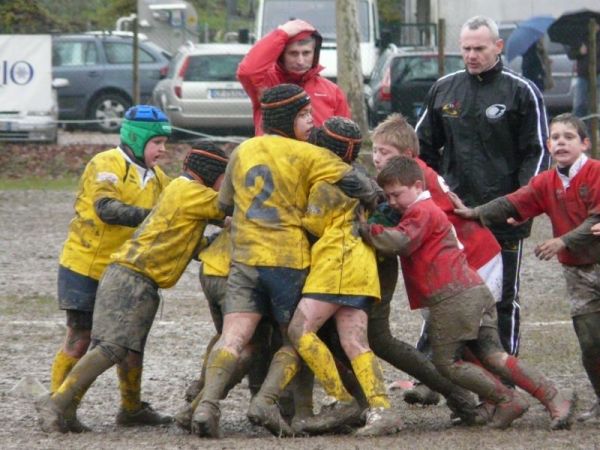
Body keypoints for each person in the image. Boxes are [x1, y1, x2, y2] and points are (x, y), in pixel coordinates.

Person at [189, 83, 379, 439]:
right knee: (298, 336)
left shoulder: (243, 151)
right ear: (288, 118)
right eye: (305, 115)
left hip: (244, 259)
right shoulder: (310, 155)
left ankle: (206, 406)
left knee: (233, 337)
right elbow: (362, 185)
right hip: (287, 260)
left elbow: (224, 204)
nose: (311, 122)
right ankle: (268, 401)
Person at [359, 155, 575, 431]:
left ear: (416, 185)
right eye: (387, 196)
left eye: (396, 194)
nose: (391, 202)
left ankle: (507, 399)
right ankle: (553, 398)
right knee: (492, 355)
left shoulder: (421, 211)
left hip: (452, 295)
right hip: (472, 289)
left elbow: (401, 241)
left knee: (446, 362)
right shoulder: (425, 209)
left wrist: (366, 229)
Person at [35, 143, 230, 433]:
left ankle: (108, 410)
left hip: (132, 276)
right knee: (111, 348)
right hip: (132, 277)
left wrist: (209, 245)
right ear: (213, 174)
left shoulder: (179, 188)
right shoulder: (193, 193)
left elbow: (180, 238)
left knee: (124, 348)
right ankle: (57, 403)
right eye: (224, 178)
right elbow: (228, 209)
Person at [416, 15, 550, 356]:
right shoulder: (444, 89)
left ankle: (505, 374)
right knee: (444, 290)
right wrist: (431, 199)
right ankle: (432, 367)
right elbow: (420, 152)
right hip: (453, 215)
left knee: (501, 297)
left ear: (498, 47)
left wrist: (522, 207)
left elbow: (537, 155)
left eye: (479, 48)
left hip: (502, 215)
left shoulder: (522, 91)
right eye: (466, 49)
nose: (472, 55)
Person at [455, 113, 600, 423]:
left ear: (585, 143)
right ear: (548, 145)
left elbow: (596, 220)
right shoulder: (546, 181)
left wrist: (561, 241)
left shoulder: (596, 172)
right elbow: (513, 202)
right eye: (555, 137)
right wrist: (473, 213)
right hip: (578, 272)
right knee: (589, 342)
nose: (560, 141)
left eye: (569, 136)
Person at [48, 105, 172, 431]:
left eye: (164, 142)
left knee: (131, 341)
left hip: (126, 273)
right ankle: (59, 408)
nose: (163, 149)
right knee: (80, 336)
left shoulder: (159, 178)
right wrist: (154, 217)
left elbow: (181, 208)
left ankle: (131, 409)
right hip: (85, 265)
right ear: (136, 137)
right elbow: (105, 208)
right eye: (157, 142)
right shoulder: (106, 164)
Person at [371, 113, 502, 411]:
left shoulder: (412, 177)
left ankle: (494, 397)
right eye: (375, 150)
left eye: (385, 152)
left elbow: (408, 229)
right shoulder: (409, 174)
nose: (377, 158)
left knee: (465, 333)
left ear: (407, 155)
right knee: (447, 328)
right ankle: (444, 387)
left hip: (472, 255)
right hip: (460, 257)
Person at [286, 116, 403, 437]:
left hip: (334, 265)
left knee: (300, 330)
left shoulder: (326, 183)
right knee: (355, 342)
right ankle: (381, 409)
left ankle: (341, 399)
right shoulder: (364, 178)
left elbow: (314, 225)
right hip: (362, 268)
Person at [237, 18, 350, 135]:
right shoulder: (267, 82)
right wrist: (281, 34)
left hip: (318, 154)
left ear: (315, 53)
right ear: (281, 56)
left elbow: (345, 136)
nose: (300, 61)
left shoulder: (332, 91)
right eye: (293, 53)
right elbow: (247, 72)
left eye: (306, 53)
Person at [567, 33, 600, 118]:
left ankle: (594, 126)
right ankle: (579, 126)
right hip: (583, 75)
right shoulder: (580, 37)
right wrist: (580, 52)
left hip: (598, 74)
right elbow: (571, 54)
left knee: (596, 104)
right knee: (580, 104)